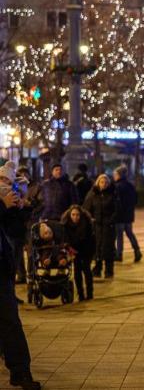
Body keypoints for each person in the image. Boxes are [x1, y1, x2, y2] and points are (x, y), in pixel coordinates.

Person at [0, 162, 41, 389]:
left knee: (11, 322)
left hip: (1, 270)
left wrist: (22, 208)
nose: (6, 185)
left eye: (8, 181)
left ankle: (21, 372)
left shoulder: (6, 200)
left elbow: (15, 232)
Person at [84, 174, 118, 279]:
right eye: (102, 182)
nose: (104, 184)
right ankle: (97, 269)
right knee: (97, 248)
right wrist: (91, 219)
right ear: (98, 183)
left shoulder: (112, 194)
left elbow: (117, 210)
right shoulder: (93, 194)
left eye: (106, 182)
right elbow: (86, 209)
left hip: (109, 227)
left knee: (108, 248)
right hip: (96, 226)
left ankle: (109, 271)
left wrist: (111, 220)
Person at [62, 205, 95, 301]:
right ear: (69, 215)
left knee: (86, 269)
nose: (75, 217)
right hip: (74, 250)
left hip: (86, 249)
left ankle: (90, 293)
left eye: (77, 215)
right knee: (77, 271)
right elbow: (65, 240)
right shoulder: (66, 224)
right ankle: (80, 294)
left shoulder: (86, 224)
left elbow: (90, 240)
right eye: (73, 215)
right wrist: (70, 249)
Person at [113, 167, 141, 263]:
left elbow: (115, 202)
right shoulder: (130, 186)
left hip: (119, 215)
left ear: (119, 175)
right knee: (129, 233)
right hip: (128, 215)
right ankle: (137, 250)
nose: (114, 176)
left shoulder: (116, 186)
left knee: (119, 235)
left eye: (115, 175)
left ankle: (119, 254)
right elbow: (135, 200)